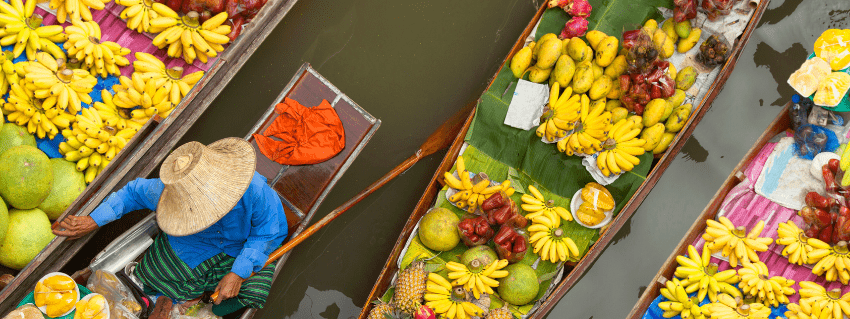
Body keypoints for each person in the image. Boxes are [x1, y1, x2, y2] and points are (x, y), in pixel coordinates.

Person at [53, 137, 289, 317]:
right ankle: (182, 298)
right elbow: (132, 193)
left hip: (239, 249)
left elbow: (268, 233)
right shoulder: (168, 193)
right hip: (191, 244)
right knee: (153, 276)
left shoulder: (255, 192)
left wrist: (238, 272)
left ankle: (208, 308)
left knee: (256, 289)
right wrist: (94, 220)